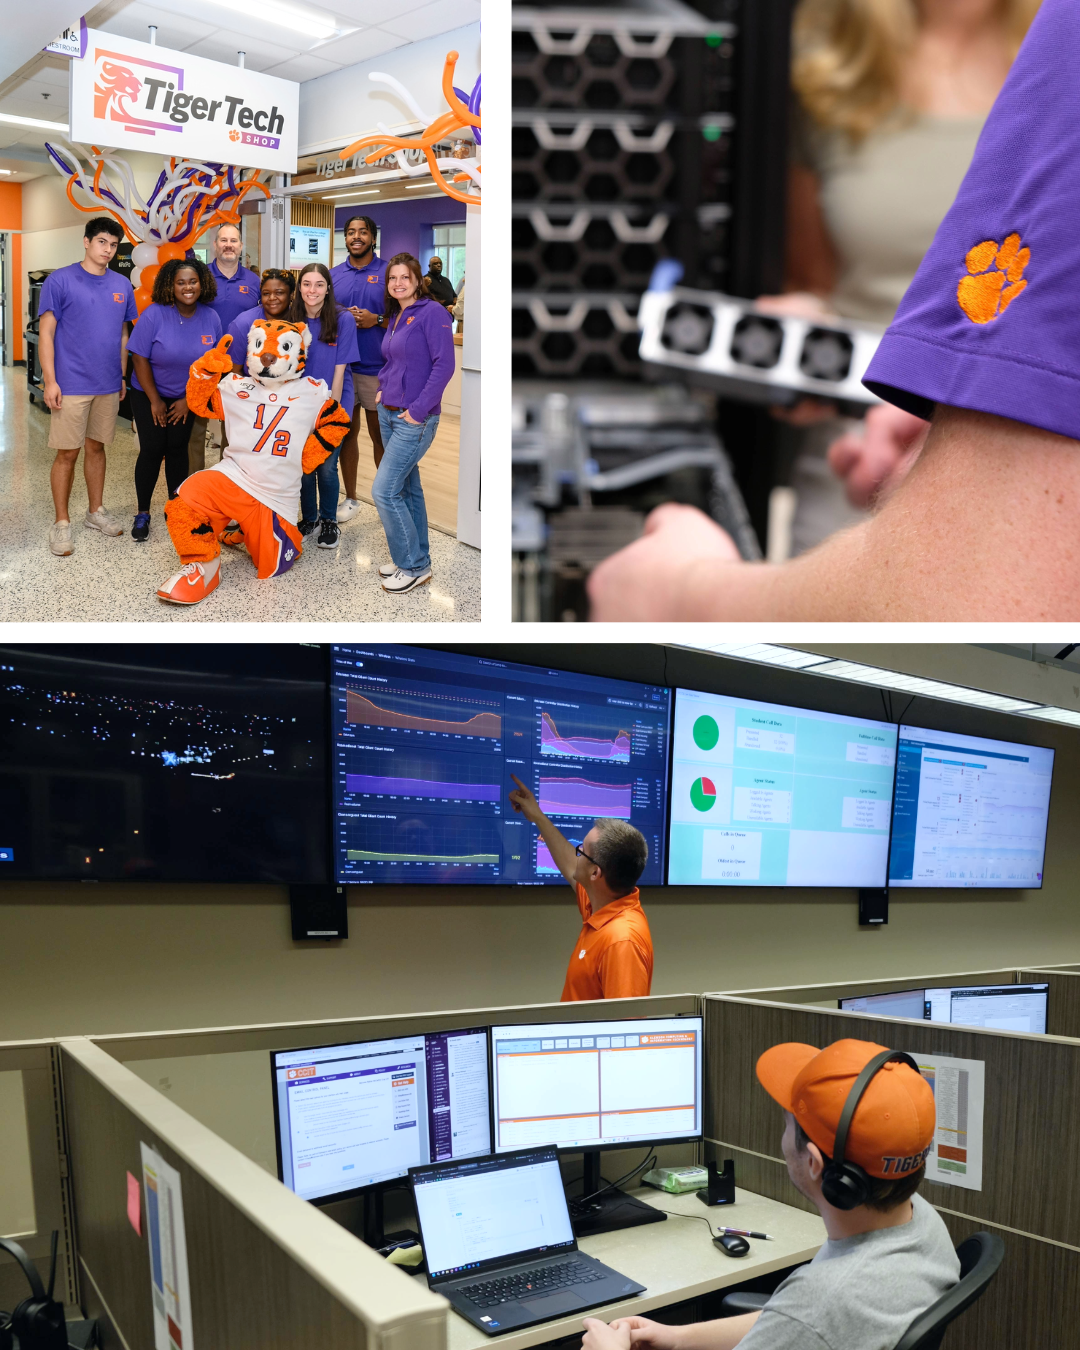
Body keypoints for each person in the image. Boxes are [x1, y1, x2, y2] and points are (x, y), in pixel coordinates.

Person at [586, 0, 1080, 621]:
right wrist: (945, 399)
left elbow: (958, 595)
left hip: (976, 492)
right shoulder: (825, 65)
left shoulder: (1060, 45)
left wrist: (678, 594)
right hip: (879, 445)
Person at [756, 0, 1038, 552]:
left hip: (1017, 470)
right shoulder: (827, 74)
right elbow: (814, 278)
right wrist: (803, 330)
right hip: (854, 456)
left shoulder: (1061, 70)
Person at [581, 1038, 958, 1350]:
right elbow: (789, 1324)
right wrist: (679, 1337)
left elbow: (806, 1319)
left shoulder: (824, 1301)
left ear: (814, 1163)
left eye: (787, 1124)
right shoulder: (920, 1221)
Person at [38, 215, 137, 556]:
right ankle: (61, 523)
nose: (107, 250)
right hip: (71, 383)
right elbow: (47, 334)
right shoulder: (61, 281)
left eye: (113, 245)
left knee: (97, 448)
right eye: (101, 242)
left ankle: (95, 512)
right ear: (86, 241)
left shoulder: (122, 285)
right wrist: (50, 381)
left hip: (108, 383)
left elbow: (123, 335)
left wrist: (122, 376)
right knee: (67, 453)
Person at [507, 774, 653, 1000]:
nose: (576, 854)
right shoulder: (602, 903)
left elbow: (626, 1029)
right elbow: (567, 861)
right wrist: (537, 816)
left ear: (595, 873)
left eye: (581, 851)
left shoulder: (622, 942)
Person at [371, 253, 454, 593]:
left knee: (383, 491)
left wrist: (419, 410)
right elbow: (392, 359)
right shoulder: (398, 313)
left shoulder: (432, 313)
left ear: (419, 280)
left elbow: (443, 366)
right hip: (389, 412)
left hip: (414, 419)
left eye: (405, 277)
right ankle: (415, 556)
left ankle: (414, 565)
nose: (398, 283)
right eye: (393, 278)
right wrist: (381, 387)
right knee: (407, 488)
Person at [126, 259, 221, 542]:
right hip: (148, 393)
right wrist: (155, 400)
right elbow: (139, 358)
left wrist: (187, 400)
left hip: (187, 397)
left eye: (192, 281)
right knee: (153, 448)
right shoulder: (154, 314)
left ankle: (176, 507)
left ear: (202, 283)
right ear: (170, 285)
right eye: (181, 282)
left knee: (178, 448)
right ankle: (143, 512)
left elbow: (212, 365)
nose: (187, 287)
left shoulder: (211, 318)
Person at [287, 262, 359, 549]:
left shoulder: (342, 319)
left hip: (334, 403)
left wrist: (331, 413)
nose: (312, 290)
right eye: (306, 284)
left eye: (318, 284)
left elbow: (340, 371)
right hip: (300, 405)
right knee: (304, 466)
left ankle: (329, 520)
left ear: (328, 287)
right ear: (299, 288)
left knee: (327, 467)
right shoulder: (292, 318)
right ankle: (310, 518)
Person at [330, 215, 388, 520]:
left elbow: (407, 317)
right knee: (346, 435)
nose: (356, 237)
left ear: (373, 238)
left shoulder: (390, 271)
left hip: (377, 370)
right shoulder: (333, 275)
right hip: (344, 369)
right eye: (351, 232)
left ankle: (386, 501)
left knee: (380, 438)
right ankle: (351, 498)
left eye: (363, 232)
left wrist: (375, 319)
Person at [226, 269, 296, 365]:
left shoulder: (299, 320)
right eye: (266, 293)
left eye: (279, 293)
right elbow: (234, 371)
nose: (272, 298)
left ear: (291, 295)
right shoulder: (243, 324)